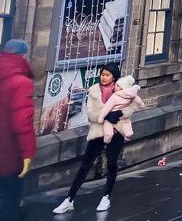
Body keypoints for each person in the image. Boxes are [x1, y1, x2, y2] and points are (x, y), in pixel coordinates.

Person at [53, 62, 139, 214]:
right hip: (98, 131)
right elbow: (90, 113)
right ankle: (69, 199)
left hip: (116, 130)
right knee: (85, 165)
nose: (103, 77)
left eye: (107, 75)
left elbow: (131, 107)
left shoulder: (122, 89)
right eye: (102, 74)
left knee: (112, 163)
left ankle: (106, 197)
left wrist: (120, 114)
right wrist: (106, 116)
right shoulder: (93, 90)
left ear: (114, 77)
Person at [0, 39, 35, 220]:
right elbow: (22, 122)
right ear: (22, 56)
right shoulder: (21, 82)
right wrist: (27, 154)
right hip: (9, 152)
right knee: (10, 201)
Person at [98, 75, 144, 143]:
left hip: (112, 116)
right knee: (127, 127)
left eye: (117, 85)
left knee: (108, 132)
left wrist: (101, 118)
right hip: (124, 117)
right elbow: (139, 102)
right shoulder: (132, 95)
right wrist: (141, 106)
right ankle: (128, 134)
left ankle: (106, 141)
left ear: (122, 88)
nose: (115, 87)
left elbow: (106, 108)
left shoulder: (115, 96)